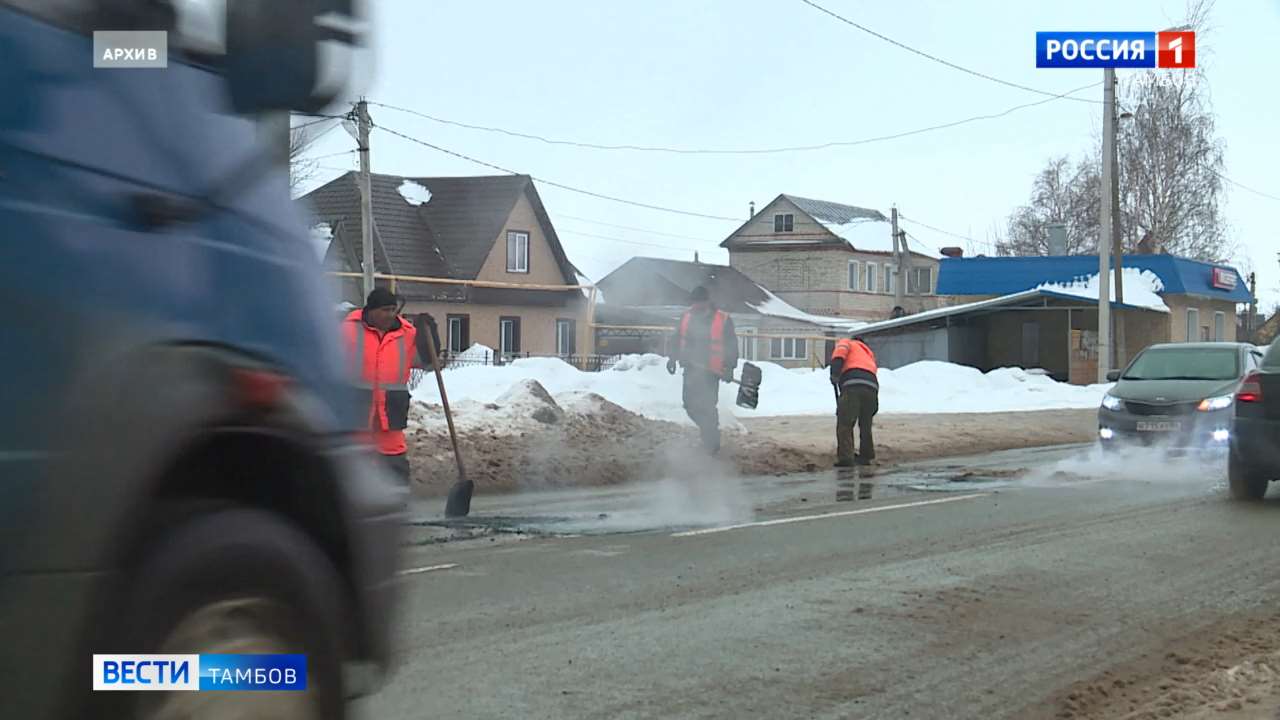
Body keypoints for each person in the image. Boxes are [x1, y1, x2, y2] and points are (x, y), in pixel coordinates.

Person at [342, 288, 439, 484]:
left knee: (394, 462)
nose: (390, 315)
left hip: (390, 412)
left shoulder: (407, 333)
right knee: (354, 463)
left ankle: (397, 503)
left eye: (393, 309)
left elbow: (428, 361)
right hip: (357, 411)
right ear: (371, 310)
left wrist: (432, 335)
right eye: (385, 310)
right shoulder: (347, 329)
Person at [666, 286, 738, 454]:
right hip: (691, 369)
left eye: (700, 303)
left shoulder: (723, 319)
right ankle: (710, 433)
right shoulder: (686, 317)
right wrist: (672, 357)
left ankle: (711, 444)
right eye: (695, 303)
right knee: (689, 405)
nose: (697, 306)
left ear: (707, 301)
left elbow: (732, 345)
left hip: (712, 371)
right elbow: (677, 338)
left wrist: (730, 368)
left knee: (708, 406)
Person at [830, 334, 879, 467]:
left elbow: (839, 356)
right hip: (872, 388)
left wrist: (834, 374)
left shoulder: (847, 342)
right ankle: (866, 455)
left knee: (845, 423)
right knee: (865, 424)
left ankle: (846, 458)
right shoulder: (868, 352)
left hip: (853, 385)